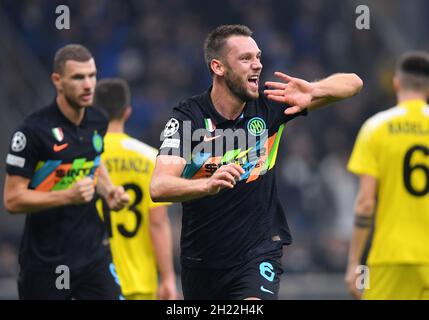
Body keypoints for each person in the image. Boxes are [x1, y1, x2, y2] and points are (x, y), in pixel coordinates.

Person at [150, 24, 363, 300]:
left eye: (258, 57)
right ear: (218, 67)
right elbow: (158, 186)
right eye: (246, 58)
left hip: (258, 252)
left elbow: (354, 83)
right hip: (202, 262)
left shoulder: (270, 105)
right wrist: (206, 185)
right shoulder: (187, 119)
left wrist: (313, 90)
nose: (257, 65)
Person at [3, 44, 130, 300]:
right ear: (57, 81)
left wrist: (108, 191)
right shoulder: (32, 132)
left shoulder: (97, 120)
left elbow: (94, 160)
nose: (88, 85)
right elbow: (12, 199)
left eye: (92, 76)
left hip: (93, 254)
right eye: (78, 77)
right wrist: (66, 196)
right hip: (46, 263)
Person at [345, 52, 429, 300]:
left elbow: (365, 203)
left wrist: (354, 263)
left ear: (396, 83)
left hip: (391, 256)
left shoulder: (376, 128)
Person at [93, 78, 178, 300]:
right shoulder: (150, 158)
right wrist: (168, 278)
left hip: (92, 281)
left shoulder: (84, 158)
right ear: (127, 112)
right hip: (139, 281)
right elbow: (157, 223)